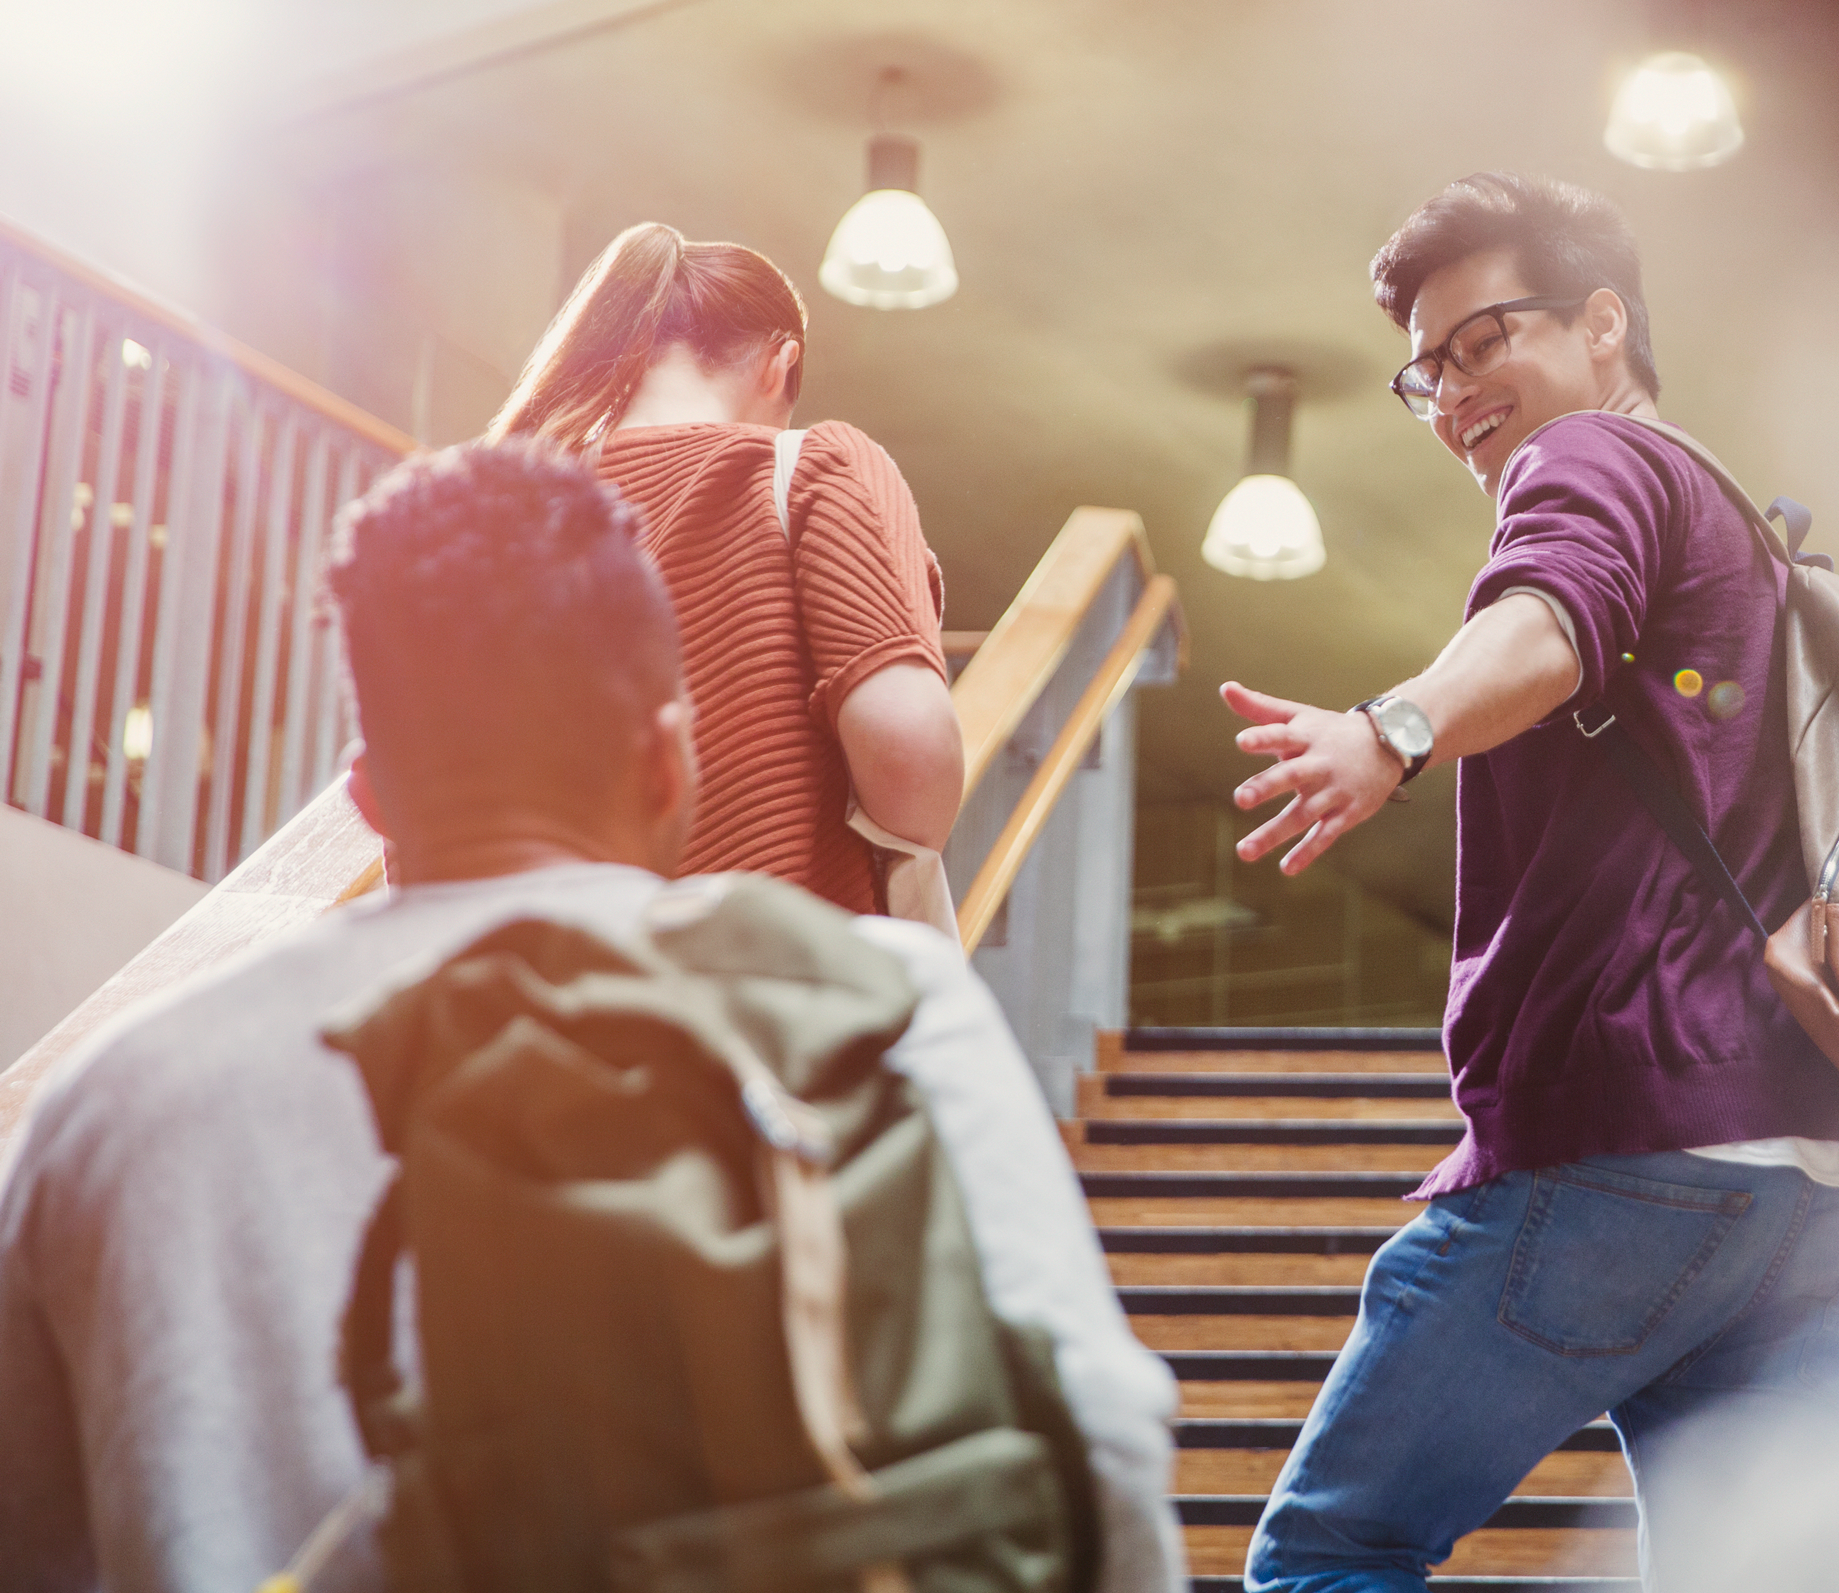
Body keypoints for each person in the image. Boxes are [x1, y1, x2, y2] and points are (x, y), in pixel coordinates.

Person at [0, 440, 1184, 1593]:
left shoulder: (107, 1104)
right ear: (670, 764)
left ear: (366, 795)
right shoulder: (877, 1000)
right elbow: (1105, 1454)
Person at [1229, 172, 1839, 1591]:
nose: (1457, 392)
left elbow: (1549, 617)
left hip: (1630, 1141)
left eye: (1486, 341)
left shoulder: (1593, 462)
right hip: (1820, 1179)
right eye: (1427, 374)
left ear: (1606, 324)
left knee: (1331, 1555)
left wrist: (1391, 730)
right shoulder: (1755, 539)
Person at [488, 222, 963, 925]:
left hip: (545, 994)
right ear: (780, 364)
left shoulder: (500, 517)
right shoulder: (813, 467)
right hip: (763, 994)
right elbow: (911, 760)